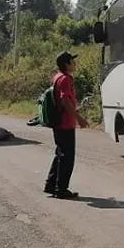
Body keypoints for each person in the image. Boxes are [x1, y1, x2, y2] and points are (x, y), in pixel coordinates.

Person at [44, 51, 88, 199]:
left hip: (58, 122)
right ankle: (61, 189)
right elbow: (64, 101)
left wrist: (75, 109)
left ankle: (51, 185)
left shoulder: (57, 77)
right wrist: (79, 118)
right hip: (65, 124)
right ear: (66, 64)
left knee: (60, 154)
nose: (74, 64)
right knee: (67, 158)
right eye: (72, 61)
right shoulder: (65, 79)